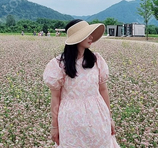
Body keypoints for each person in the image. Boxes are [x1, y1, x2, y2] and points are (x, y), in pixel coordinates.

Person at [43, 19, 120, 148]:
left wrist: (110, 118)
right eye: (87, 34)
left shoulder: (96, 60)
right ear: (77, 38)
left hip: (98, 117)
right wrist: (54, 126)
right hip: (71, 119)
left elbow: (103, 91)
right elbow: (55, 97)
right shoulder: (58, 64)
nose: (91, 38)